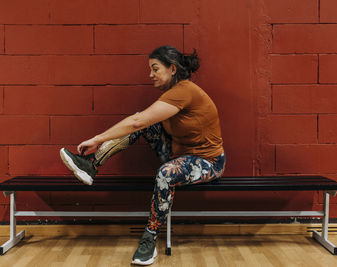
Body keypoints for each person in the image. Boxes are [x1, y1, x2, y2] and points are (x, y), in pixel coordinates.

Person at [59, 46, 225, 265]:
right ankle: (92, 165)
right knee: (140, 121)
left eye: (155, 69)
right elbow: (140, 122)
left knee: (165, 171)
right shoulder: (171, 95)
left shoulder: (185, 91)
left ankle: (150, 237)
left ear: (172, 69)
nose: (151, 75)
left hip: (208, 162)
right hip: (178, 155)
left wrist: (97, 139)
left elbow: (137, 122)